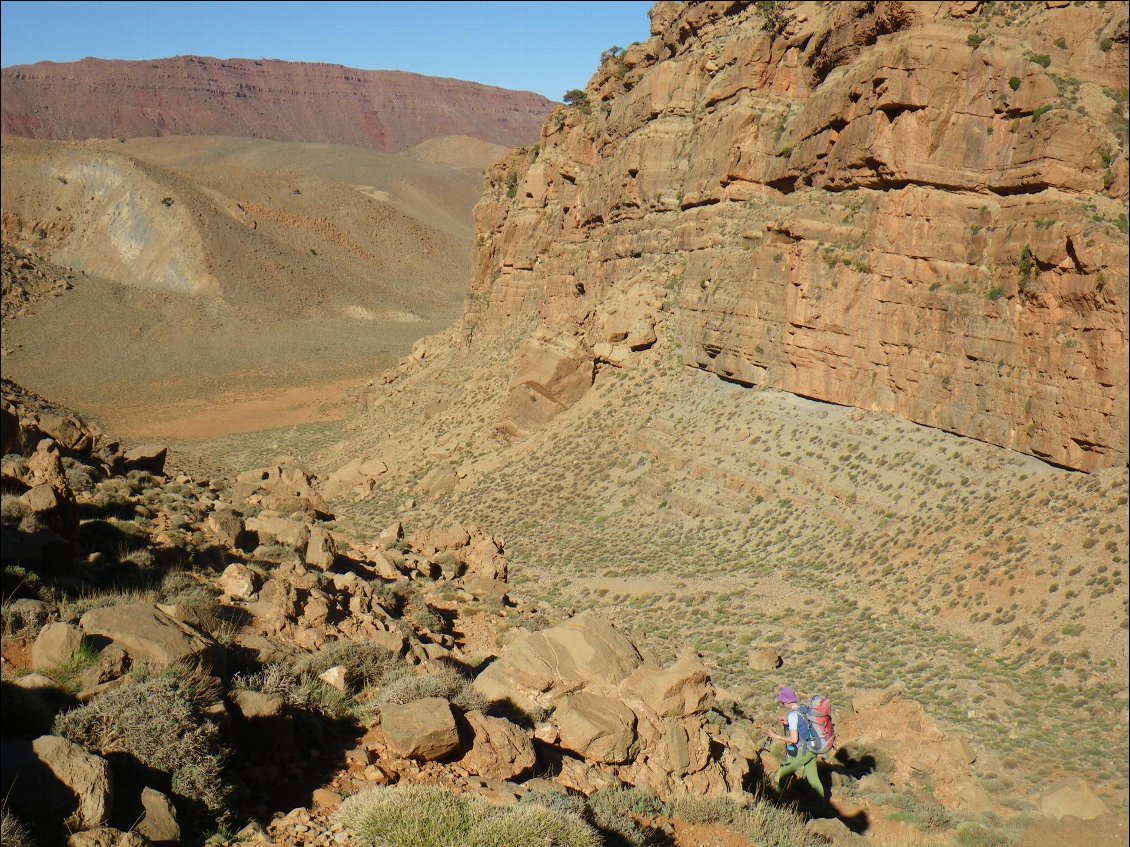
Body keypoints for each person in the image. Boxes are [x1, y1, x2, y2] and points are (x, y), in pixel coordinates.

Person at [766, 685, 826, 805]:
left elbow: (794, 739)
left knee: (783, 773)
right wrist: (789, 724)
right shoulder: (803, 708)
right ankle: (822, 806)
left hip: (804, 751)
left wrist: (776, 736)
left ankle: (775, 802)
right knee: (813, 779)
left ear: (787, 702)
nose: (782, 703)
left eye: (782, 701)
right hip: (813, 747)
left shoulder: (792, 715)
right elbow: (804, 726)